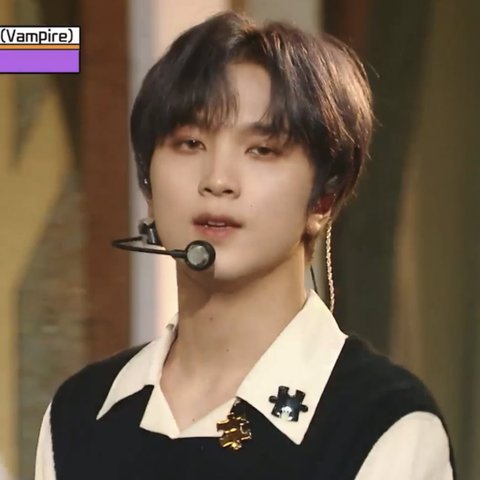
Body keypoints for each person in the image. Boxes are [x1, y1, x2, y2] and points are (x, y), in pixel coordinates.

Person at [35, 11, 455, 480]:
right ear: (148, 181)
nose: (217, 180)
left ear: (323, 197)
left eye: (262, 150)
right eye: (190, 143)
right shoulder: (78, 416)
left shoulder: (382, 423)